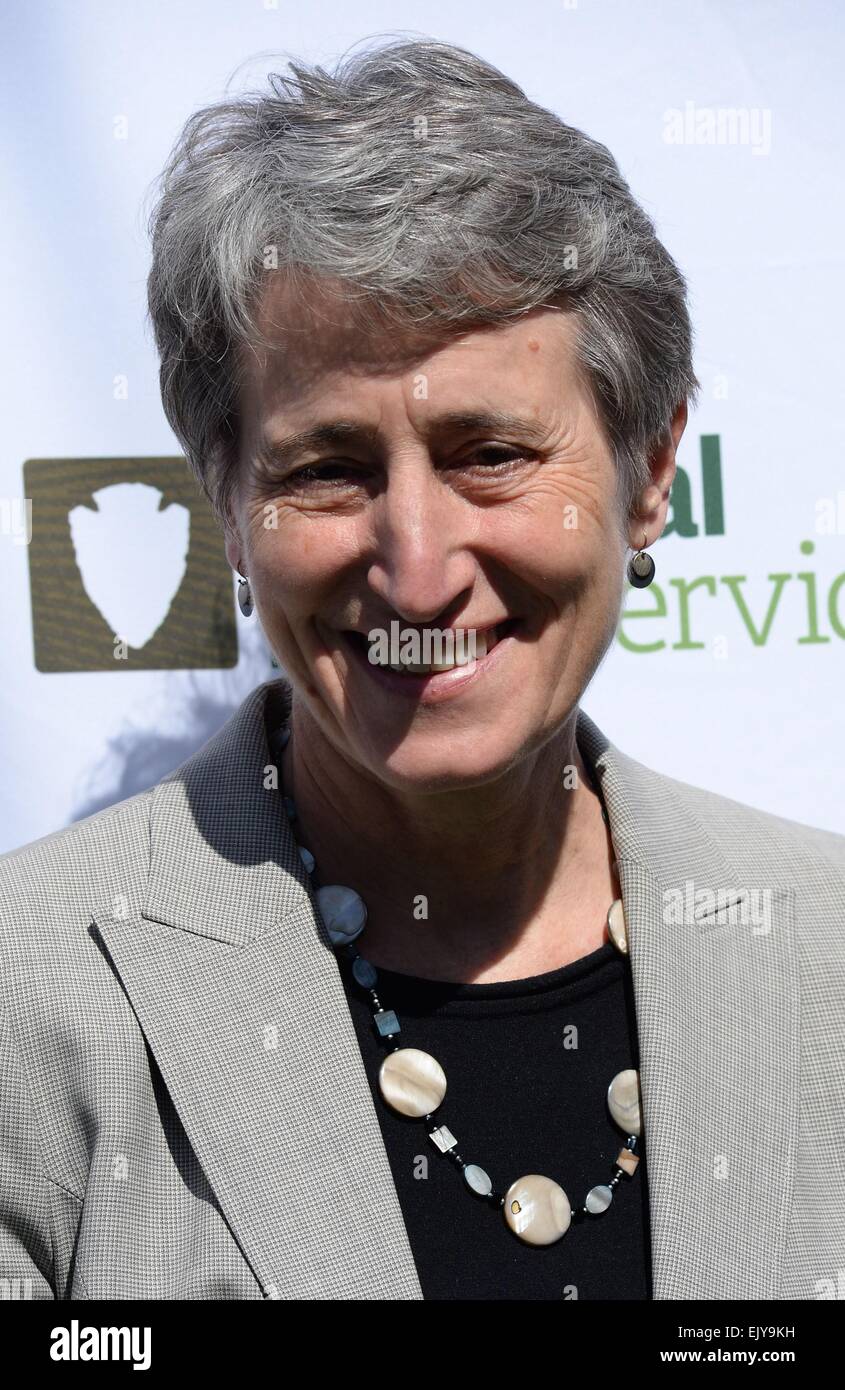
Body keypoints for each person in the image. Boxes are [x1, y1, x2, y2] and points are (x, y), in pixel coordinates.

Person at [1, 36, 843, 1303]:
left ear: (648, 474)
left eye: (489, 451)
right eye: (327, 467)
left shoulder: (825, 947)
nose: (416, 567)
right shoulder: (33, 995)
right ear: (227, 507)